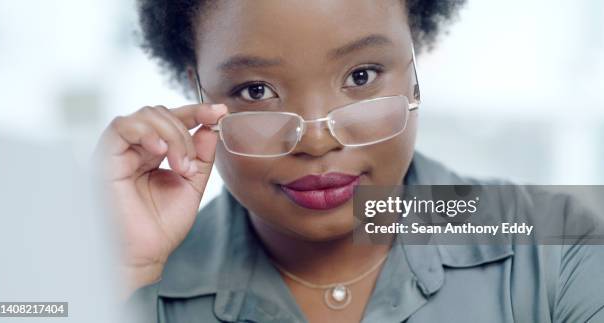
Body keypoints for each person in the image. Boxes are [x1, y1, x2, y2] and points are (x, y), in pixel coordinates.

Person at [93, 0, 604, 322]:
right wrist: (121, 275)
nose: (315, 140)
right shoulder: (135, 286)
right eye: (256, 90)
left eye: (361, 76)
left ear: (413, 72)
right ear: (197, 91)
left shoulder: (559, 242)